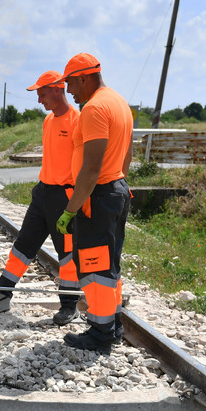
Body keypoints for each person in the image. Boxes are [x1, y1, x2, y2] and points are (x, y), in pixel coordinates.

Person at [0, 70, 81, 325]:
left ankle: (69, 306)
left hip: (65, 195)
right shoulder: (48, 121)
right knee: (23, 245)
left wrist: (75, 204)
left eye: (42, 94)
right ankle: (2, 295)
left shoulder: (77, 121)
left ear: (58, 89)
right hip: (43, 193)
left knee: (67, 254)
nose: (39, 100)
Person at [56, 53, 133, 355]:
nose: (69, 90)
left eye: (71, 83)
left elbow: (90, 168)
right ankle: (113, 324)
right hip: (116, 189)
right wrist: (118, 184)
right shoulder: (119, 102)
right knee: (110, 263)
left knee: (94, 265)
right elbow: (127, 154)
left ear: (84, 78)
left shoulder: (94, 108)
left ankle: (100, 334)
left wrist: (71, 209)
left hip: (98, 195)